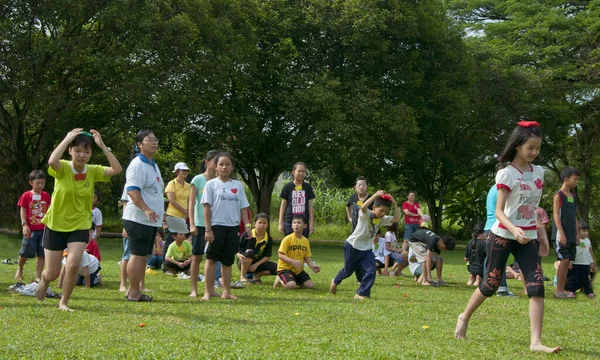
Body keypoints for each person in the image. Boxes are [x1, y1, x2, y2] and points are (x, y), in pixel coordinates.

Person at [454, 121, 560, 354]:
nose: (534, 152)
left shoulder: (539, 173)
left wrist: (541, 235)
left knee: (536, 285)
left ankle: (536, 343)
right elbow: (500, 211)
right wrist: (514, 230)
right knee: (490, 284)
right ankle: (464, 316)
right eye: (530, 147)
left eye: (538, 148)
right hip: (503, 234)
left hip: (528, 237)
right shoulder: (506, 173)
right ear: (518, 146)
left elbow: (533, 208)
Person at [36, 128, 121, 311]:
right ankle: (44, 279)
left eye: (87, 151)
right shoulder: (63, 167)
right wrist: (67, 139)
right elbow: (52, 161)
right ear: (70, 151)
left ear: (91, 154)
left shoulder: (93, 171)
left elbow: (116, 169)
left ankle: (63, 302)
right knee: (52, 272)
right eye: (78, 150)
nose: (82, 155)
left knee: (74, 264)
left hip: (80, 224)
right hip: (56, 223)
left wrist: (102, 146)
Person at [330, 191, 400, 300]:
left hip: (367, 249)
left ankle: (361, 293)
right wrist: (375, 196)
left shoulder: (382, 219)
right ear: (374, 207)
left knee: (371, 270)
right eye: (381, 210)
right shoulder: (366, 214)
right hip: (352, 246)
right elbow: (363, 207)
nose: (383, 213)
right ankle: (335, 281)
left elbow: (396, 219)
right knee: (348, 271)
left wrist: (394, 203)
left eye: (385, 211)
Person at [200, 152, 251, 300]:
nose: (224, 167)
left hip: (233, 227)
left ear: (232, 167)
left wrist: (247, 224)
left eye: (228, 164)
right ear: (215, 167)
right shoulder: (211, 184)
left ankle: (226, 292)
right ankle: (208, 291)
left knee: (228, 260)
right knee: (211, 259)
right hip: (216, 227)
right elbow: (206, 209)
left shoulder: (237, 186)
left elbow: (243, 208)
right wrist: (208, 229)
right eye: (221, 164)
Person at [122, 129, 164, 302]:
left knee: (142, 256)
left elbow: (155, 192)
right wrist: (146, 209)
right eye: (149, 140)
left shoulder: (153, 164)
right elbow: (132, 191)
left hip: (150, 220)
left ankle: (135, 290)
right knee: (137, 255)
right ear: (139, 145)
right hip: (138, 218)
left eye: (155, 139)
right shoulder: (137, 164)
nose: (154, 142)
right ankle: (133, 292)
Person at [188, 150, 220, 297]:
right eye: (216, 162)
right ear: (207, 162)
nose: (218, 165)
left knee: (212, 258)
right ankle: (193, 289)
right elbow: (191, 203)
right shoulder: (198, 180)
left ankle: (210, 289)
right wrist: (192, 224)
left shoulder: (220, 181)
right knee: (196, 256)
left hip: (216, 224)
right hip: (200, 223)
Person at [16, 170, 51, 282]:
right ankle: (20, 269)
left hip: (44, 229)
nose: (40, 186)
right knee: (25, 252)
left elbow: (49, 209)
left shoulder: (46, 195)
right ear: (31, 183)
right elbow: (23, 209)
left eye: (43, 183)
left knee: (42, 254)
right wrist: (24, 224)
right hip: (30, 230)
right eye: (38, 183)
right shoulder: (26, 195)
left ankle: (38, 275)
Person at [552, 166, 581, 298]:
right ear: (566, 179)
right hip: (561, 235)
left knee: (568, 261)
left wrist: (577, 233)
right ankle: (559, 290)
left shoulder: (573, 197)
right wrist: (561, 233)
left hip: (571, 235)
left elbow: (574, 216)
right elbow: (556, 215)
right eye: (575, 179)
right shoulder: (558, 196)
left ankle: (563, 289)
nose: (577, 182)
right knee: (563, 260)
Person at [483, 184, 516, 297]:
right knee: (499, 259)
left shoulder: (493, 188)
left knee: (490, 259)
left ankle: (486, 287)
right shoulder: (501, 189)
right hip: (497, 228)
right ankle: (501, 289)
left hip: (489, 227)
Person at [273, 214, 320, 289]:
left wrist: (312, 266)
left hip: (298, 271)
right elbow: (280, 255)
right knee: (291, 286)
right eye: (294, 223)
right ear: (291, 226)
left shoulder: (305, 241)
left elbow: (306, 257)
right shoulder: (287, 239)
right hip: (285, 269)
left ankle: (292, 279)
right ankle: (279, 278)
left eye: (299, 223)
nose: (296, 225)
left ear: (305, 226)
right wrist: (292, 261)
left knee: (310, 286)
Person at [162, 162, 191, 264]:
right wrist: (185, 211)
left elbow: (189, 201)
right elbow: (172, 201)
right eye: (183, 170)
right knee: (170, 240)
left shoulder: (188, 186)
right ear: (177, 172)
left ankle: (179, 263)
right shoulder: (172, 183)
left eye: (186, 170)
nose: (185, 172)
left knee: (182, 241)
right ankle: (165, 264)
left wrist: (186, 214)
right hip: (172, 215)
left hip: (183, 216)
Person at [236, 213, 277, 284]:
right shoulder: (248, 234)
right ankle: (243, 276)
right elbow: (235, 246)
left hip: (257, 264)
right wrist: (238, 255)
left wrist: (256, 265)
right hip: (243, 261)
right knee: (250, 252)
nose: (262, 225)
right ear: (255, 224)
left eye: (264, 223)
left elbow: (267, 256)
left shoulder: (268, 239)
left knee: (278, 268)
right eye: (260, 222)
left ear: (267, 225)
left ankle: (257, 276)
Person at [278, 162, 315, 238]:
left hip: (303, 222)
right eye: (299, 171)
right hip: (289, 222)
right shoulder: (287, 187)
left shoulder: (307, 187)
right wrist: (280, 223)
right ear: (293, 172)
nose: (301, 173)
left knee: (302, 245)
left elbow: (310, 206)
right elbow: (283, 204)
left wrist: (311, 224)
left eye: (303, 171)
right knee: (289, 245)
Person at [345, 176, 371, 282]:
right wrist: (350, 217)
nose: (361, 187)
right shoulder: (353, 197)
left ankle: (366, 275)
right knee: (355, 253)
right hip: (355, 230)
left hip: (367, 231)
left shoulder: (371, 199)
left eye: (364, 185)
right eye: (359, 185)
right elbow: (347, 206)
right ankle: (359, 277)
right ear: (355, 187)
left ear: (367, 187)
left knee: (365, 253)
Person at [566, 222, 595, 298]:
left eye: (587, 231)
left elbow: (590, 251)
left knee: (586, 279)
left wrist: (592, 262)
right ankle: (571, 291)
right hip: (576, 263)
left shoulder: (588, 241)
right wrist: (570, 261)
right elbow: (571, 251)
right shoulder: (575, 240)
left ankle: (588, 291)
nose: (586, 233)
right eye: (583, 231)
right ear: (578, 232)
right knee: (573, 278)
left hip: (586, 263)